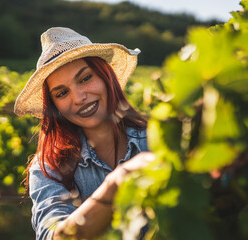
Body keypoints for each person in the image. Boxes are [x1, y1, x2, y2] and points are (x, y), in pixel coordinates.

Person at [14, 27, 155, 240]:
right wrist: (113, 186)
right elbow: (51, 236)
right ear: (55, 107)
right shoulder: (49, 167)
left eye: (85, 78)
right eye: (62, 93)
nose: (79, 97)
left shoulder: (157, 140)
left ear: (106, 76)